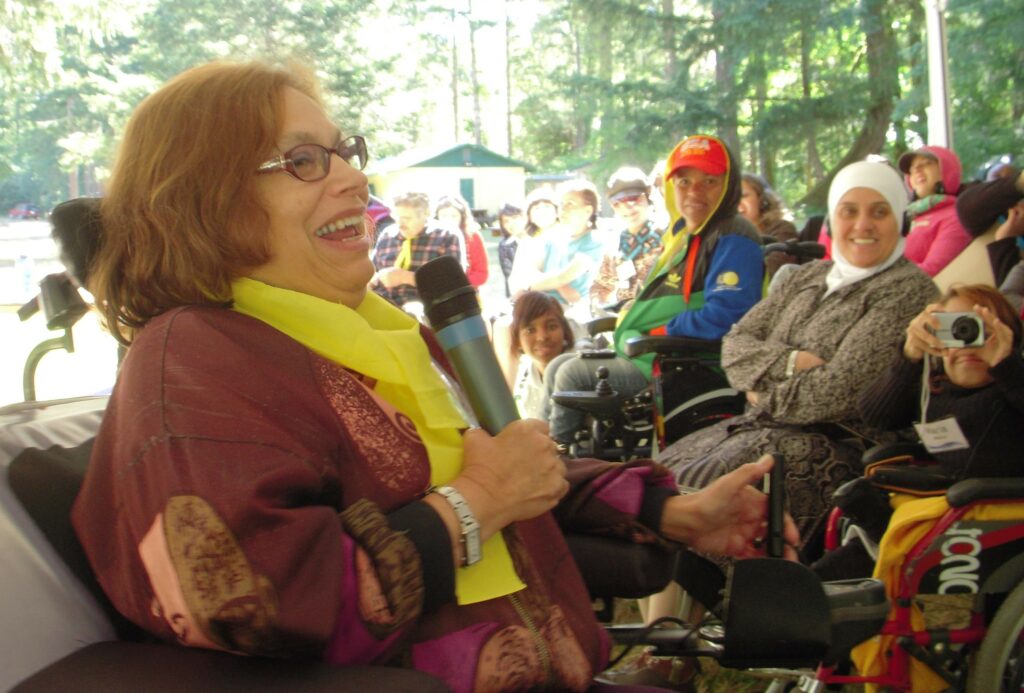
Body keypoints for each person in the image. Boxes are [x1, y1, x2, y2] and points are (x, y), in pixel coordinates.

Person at [71, 59, 798, 692]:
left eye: (344, 151)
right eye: (303, 160)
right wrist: (475, 504)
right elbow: (253, 596)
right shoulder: (193, 359)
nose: (357, 178)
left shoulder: (384, 333)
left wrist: (664, 510)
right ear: (204, 200)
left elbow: (510, 469)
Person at [659, 159, 939, 551]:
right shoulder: (809, 275)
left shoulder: (907, 291)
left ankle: (723, 606)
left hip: (837, 448)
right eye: (849, 211)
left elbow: (840, 391)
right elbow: (736, 345)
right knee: (657, 484)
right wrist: (793, 362)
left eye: (880, 212)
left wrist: (761, 393)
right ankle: (667, 614)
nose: (862, 225)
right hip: (758, 428)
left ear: (900, 221)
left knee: (704, 496)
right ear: (832, 220)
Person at [544, 134, 764, 445]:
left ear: (728, 186)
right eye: (684, 182)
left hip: (689, 365)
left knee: (571, 375)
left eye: (709, 181)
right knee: (557, 366)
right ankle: (543, 449)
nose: (694, 192)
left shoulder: (732, 236)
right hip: (651, 352)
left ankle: (556, 461)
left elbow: (727, 316)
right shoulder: (684, 234)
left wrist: (659, 332)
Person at [811, 284, 1024, 580]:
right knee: (817, 583)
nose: (967, 342)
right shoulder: (934, 388)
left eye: (982, 329)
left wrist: (1007, 365)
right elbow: (876, 416)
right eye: (954, 328)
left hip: (980, 534)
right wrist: (909, 355)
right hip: (933, 518)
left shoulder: (1013, 387)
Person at [517, 178, 605, 319]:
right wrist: (558, 285)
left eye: (570, 204)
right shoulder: (552, 238)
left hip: (571, 310)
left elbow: (564, 279)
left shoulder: (593, 243)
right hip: (541, 301)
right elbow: (529, 272)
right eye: (561, 204)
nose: (563, 210)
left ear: (588, 210)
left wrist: (535, 284)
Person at [370, 190, 464, 308]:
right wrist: (371, 281)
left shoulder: (447, 236)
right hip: (383, 304)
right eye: (396, 217)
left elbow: (454, 284)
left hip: (427, 308)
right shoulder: (388, 234)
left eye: (406, 218)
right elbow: (372, 272)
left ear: (425, 215)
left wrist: (407, 278)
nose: (400, 224)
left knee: (413, 311)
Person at [589, 167, 664, 309]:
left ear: (648, 198)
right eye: (618, 203)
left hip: (657, 314)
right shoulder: (615, 245)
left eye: (634, 199)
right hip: (622, 316)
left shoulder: (666, 238)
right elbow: (600, 287)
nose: (628, 207)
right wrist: (599, 304)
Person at [895, 145, 972, 277]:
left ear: (946, 171)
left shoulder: (955, 217)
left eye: (926, 163)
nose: (917, 169)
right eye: (912, 169)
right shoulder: (906, 215)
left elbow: (931, 271)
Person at [509, 291, 575, 420]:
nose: (542, 337)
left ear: (565, 331)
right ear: (518, 340)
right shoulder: (522, 383)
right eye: (530, 330)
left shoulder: (579, 372)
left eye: (551, 327)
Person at [737, 173, 800, 279]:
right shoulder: (721, 234)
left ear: (762, 200)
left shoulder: (782, 229)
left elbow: (773, 270)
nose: (736, 203)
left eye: (743, 196)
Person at [435, 194, 489, 289]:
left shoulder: (472, 237)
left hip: (465, 292)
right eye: (444, 215)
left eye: (454, 216)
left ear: (462, 217)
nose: (449, 220)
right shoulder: (431, 238)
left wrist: (458, 283)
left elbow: (481, 273)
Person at [495, 202, 526, 298]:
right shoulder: (505, 246)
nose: (511, 224)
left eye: (515, 218)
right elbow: (509, 276)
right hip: (520, 295)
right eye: (506, 221)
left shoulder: (538, 238)